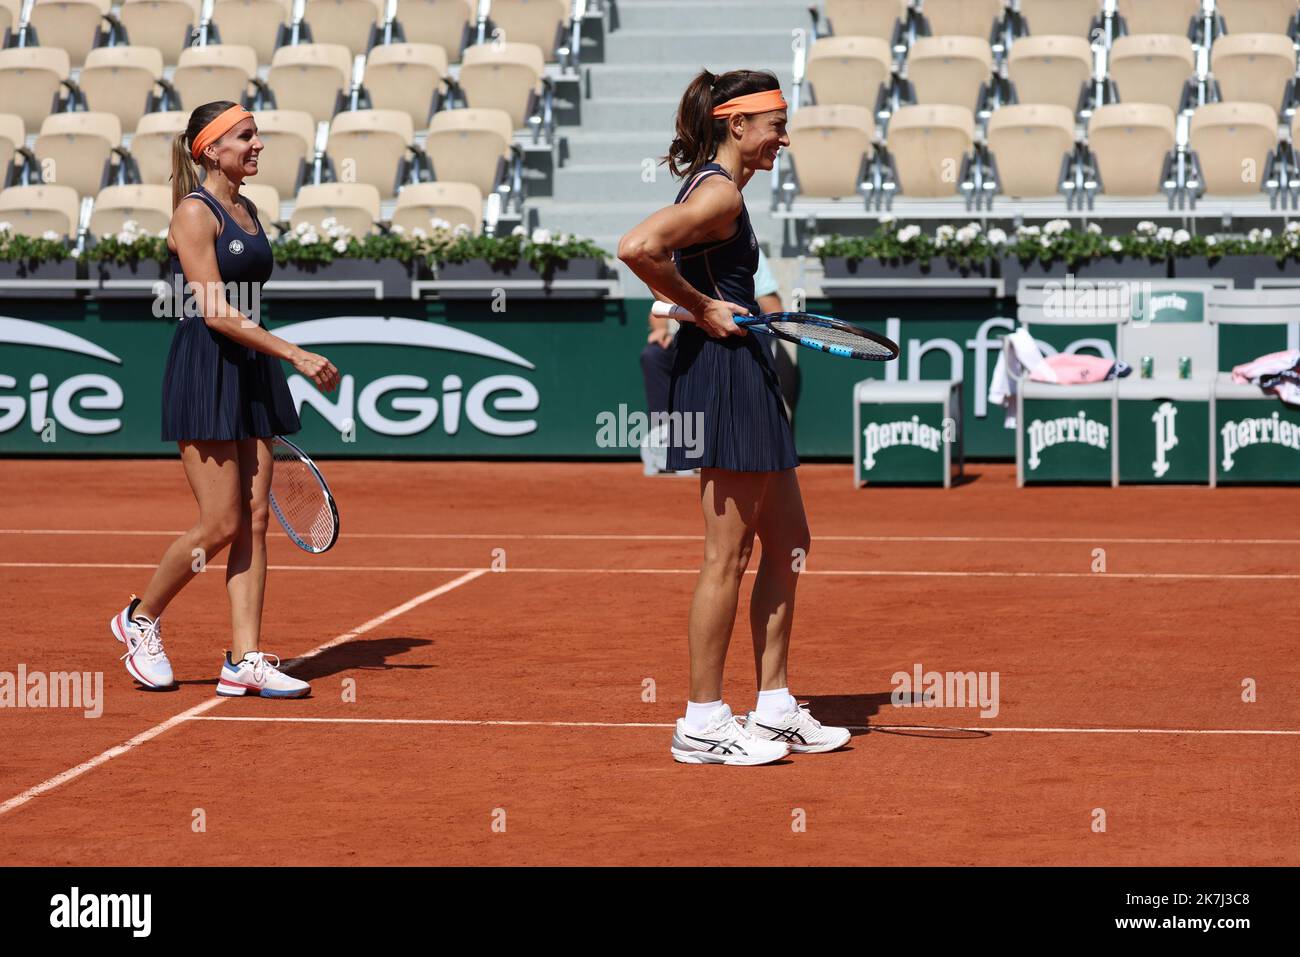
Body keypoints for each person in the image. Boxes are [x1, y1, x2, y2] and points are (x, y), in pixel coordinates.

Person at [618, 70, 849, 765]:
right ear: (737, 125)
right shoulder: (717, 191)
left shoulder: (724, 190)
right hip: (724, 375)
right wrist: (701, 304)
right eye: (775, 123)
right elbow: (636, 247)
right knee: (727, 555)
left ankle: (774, 705)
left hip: (746, 368)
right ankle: (702, 719)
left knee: (789, 542)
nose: (784, 136)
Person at [108, 101, 340, 699]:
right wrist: (294, 353)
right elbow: (214, 311)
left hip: (250, 368)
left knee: (256, 521)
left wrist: (271, 356)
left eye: (256, 136)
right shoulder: (194, 213)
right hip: (208, 366)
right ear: (211, 149)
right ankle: (140, 618)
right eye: (245, 137)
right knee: (220, 523)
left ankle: (245, 659)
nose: (257, 145)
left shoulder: (248, 207)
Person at [639, 249, 799, 475]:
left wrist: (760, 325)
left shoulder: (746, 250)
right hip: (689, 333)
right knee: (653, 355)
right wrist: (661, 330)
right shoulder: (679, 246)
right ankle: (667, 437)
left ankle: (718, 446)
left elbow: (772, 306)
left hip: (736, 335)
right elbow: (652, 285)